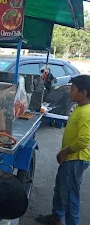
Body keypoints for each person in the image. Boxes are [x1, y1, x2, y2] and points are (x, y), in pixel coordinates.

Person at [36, 75, 90, 225]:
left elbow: (84, 140)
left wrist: (65, 151)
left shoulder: (86, 112)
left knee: (71, 196)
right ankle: (56, 217)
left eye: (72, 89)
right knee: (60, 189)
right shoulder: (80, 108)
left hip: (75, 160)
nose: (69, 92)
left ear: (84, 92)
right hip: (69, 159)